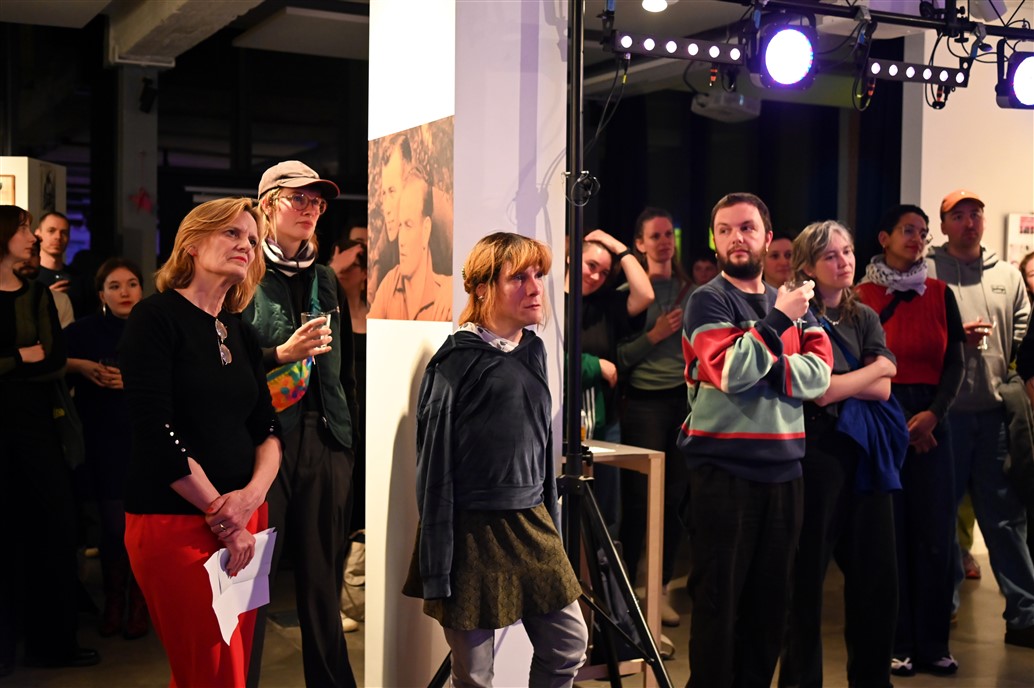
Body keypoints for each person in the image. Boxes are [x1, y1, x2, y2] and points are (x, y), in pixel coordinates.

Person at [402, 232, 588, 686]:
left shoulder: (533, 350)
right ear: (483, 288)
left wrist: (553, 528)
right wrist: (437, 564)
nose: (535, 287)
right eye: (519, 277)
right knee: (475, 675)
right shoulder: (455, 363)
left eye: (538, 275)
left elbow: (541, 449)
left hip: (530, 522)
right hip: (472, 532)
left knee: (568, 644)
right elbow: (434, 469)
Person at [120, 197, 281, 687]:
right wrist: (222, 515)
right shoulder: (155, 318)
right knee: (208, 672)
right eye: (232, 233)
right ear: (191, 243)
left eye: (252, 239)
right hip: (178, 524)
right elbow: (155, 430)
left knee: (232, 669)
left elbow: (267, 428)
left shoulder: (239, 331)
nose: (246, 245)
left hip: (247, 522)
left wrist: (249, 500)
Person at [677, 192, 833, 688]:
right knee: (718, 608)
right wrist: (778, 324)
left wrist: (766, 362)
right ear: (714, 240)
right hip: (723, 473)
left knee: (770, 610)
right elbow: (729, 370)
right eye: (724, 230)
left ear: (767, 237)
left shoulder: (790, 302)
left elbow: (820, 377)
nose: (735, 238)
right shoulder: (708, 299)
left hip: (785, 473)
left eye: (746, 227)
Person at [244, 161, 359, 687]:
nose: (311, 208)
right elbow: (221, 360)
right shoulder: (244, 272)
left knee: (322, 582)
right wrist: (279, 354)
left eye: (317, 201)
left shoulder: (326, 278)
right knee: (250, 581)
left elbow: (344, 369)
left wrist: (347, 441)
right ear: (268, 204)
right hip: (262, 441)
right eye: (299, 198)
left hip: (326, 436)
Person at [779, 220, 901, 688]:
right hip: (815, 452)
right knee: (805, 578)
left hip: (864, 452)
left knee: (876, 577)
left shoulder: (862, 315)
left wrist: (849, 382)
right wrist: (873, 371)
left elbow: (884, 390)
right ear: (808, 266)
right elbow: (819, 392)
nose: (844, 261)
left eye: (847, 251)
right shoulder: (796, 315)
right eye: (831, 255)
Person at [856, 204, 965, 676]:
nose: (917, 238)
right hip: (884, 416)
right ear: (884, 238)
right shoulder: (861, 296)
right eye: (907, 230)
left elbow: (956, 363)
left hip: (934, 421)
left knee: (936, 536)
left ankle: (933, 643)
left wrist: (933, 416)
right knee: (891, 537)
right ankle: (895, 643)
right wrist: (902, 424)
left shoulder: (940, 293)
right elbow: (860, 364)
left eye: (922, 232)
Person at [926, 189, 1034, 649]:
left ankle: (1025, 615)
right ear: (944, 224)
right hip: (945, 415)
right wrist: (955, 337)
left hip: (993, 415)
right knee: (940, 517)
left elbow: (1025, 333)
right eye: (959, 215)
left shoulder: (1007, 275)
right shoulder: (927, 272)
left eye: (976, 214)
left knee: (1005, 518)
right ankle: (940, 608)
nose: (969, 222)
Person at [0, 205, 99, 677]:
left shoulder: (37, 294)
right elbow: (34, 359)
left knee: (53, 533)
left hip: (38, 428)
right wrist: (19, 358)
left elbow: (54, 361)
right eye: (24, 229)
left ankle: (53, 643)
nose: (33, 237)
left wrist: (16, 363)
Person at [64, 258, 148, 640]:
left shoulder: (154, 327)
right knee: (114, 528)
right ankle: (115, 601)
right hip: (102, 439)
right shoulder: (84, 331)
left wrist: (133, 381)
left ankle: (140, 603)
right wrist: (82, 366)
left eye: (132, 284)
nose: (125, 292)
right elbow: (51, 360)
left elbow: (179, 375)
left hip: (146, 439)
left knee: (143, 527)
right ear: (101, 294)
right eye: (115, 286)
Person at [616, 207, 691, 628]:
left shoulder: (692, 291)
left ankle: (658, 591)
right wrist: (655, 335)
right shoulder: (628, 292)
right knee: (637, 502)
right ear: (639, 244)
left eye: (668, 235)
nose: (664, 242)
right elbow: (619, 357)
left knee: (675, 500)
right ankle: (627, 594)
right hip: (643, 404)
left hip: (683, 404)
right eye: (655, 236)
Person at [569, 227, 653, 536]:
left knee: (606, 506)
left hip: (605, 418)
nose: (596, 276)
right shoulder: (549, 299)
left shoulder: (605, 304)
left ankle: (603, 565)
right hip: (561, 417)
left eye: (604, 272)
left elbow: (645, 294)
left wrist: (619, 248)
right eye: (591, 265)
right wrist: (594, 365)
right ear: (572, 258)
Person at [329, 236, 368, 633]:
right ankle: (336, 600)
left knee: (364, 511)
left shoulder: (378, 313)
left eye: (355, 264)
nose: (346, 271)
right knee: (339, 509)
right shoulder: (330, 310)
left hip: (374, 420)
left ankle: (354, 598)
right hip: (343, 421)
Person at [369, 166, 451, 320]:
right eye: (400, 226)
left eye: (408, 225)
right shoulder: (389, 284)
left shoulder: (446, 294)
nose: (401, 240)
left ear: (426, 230)